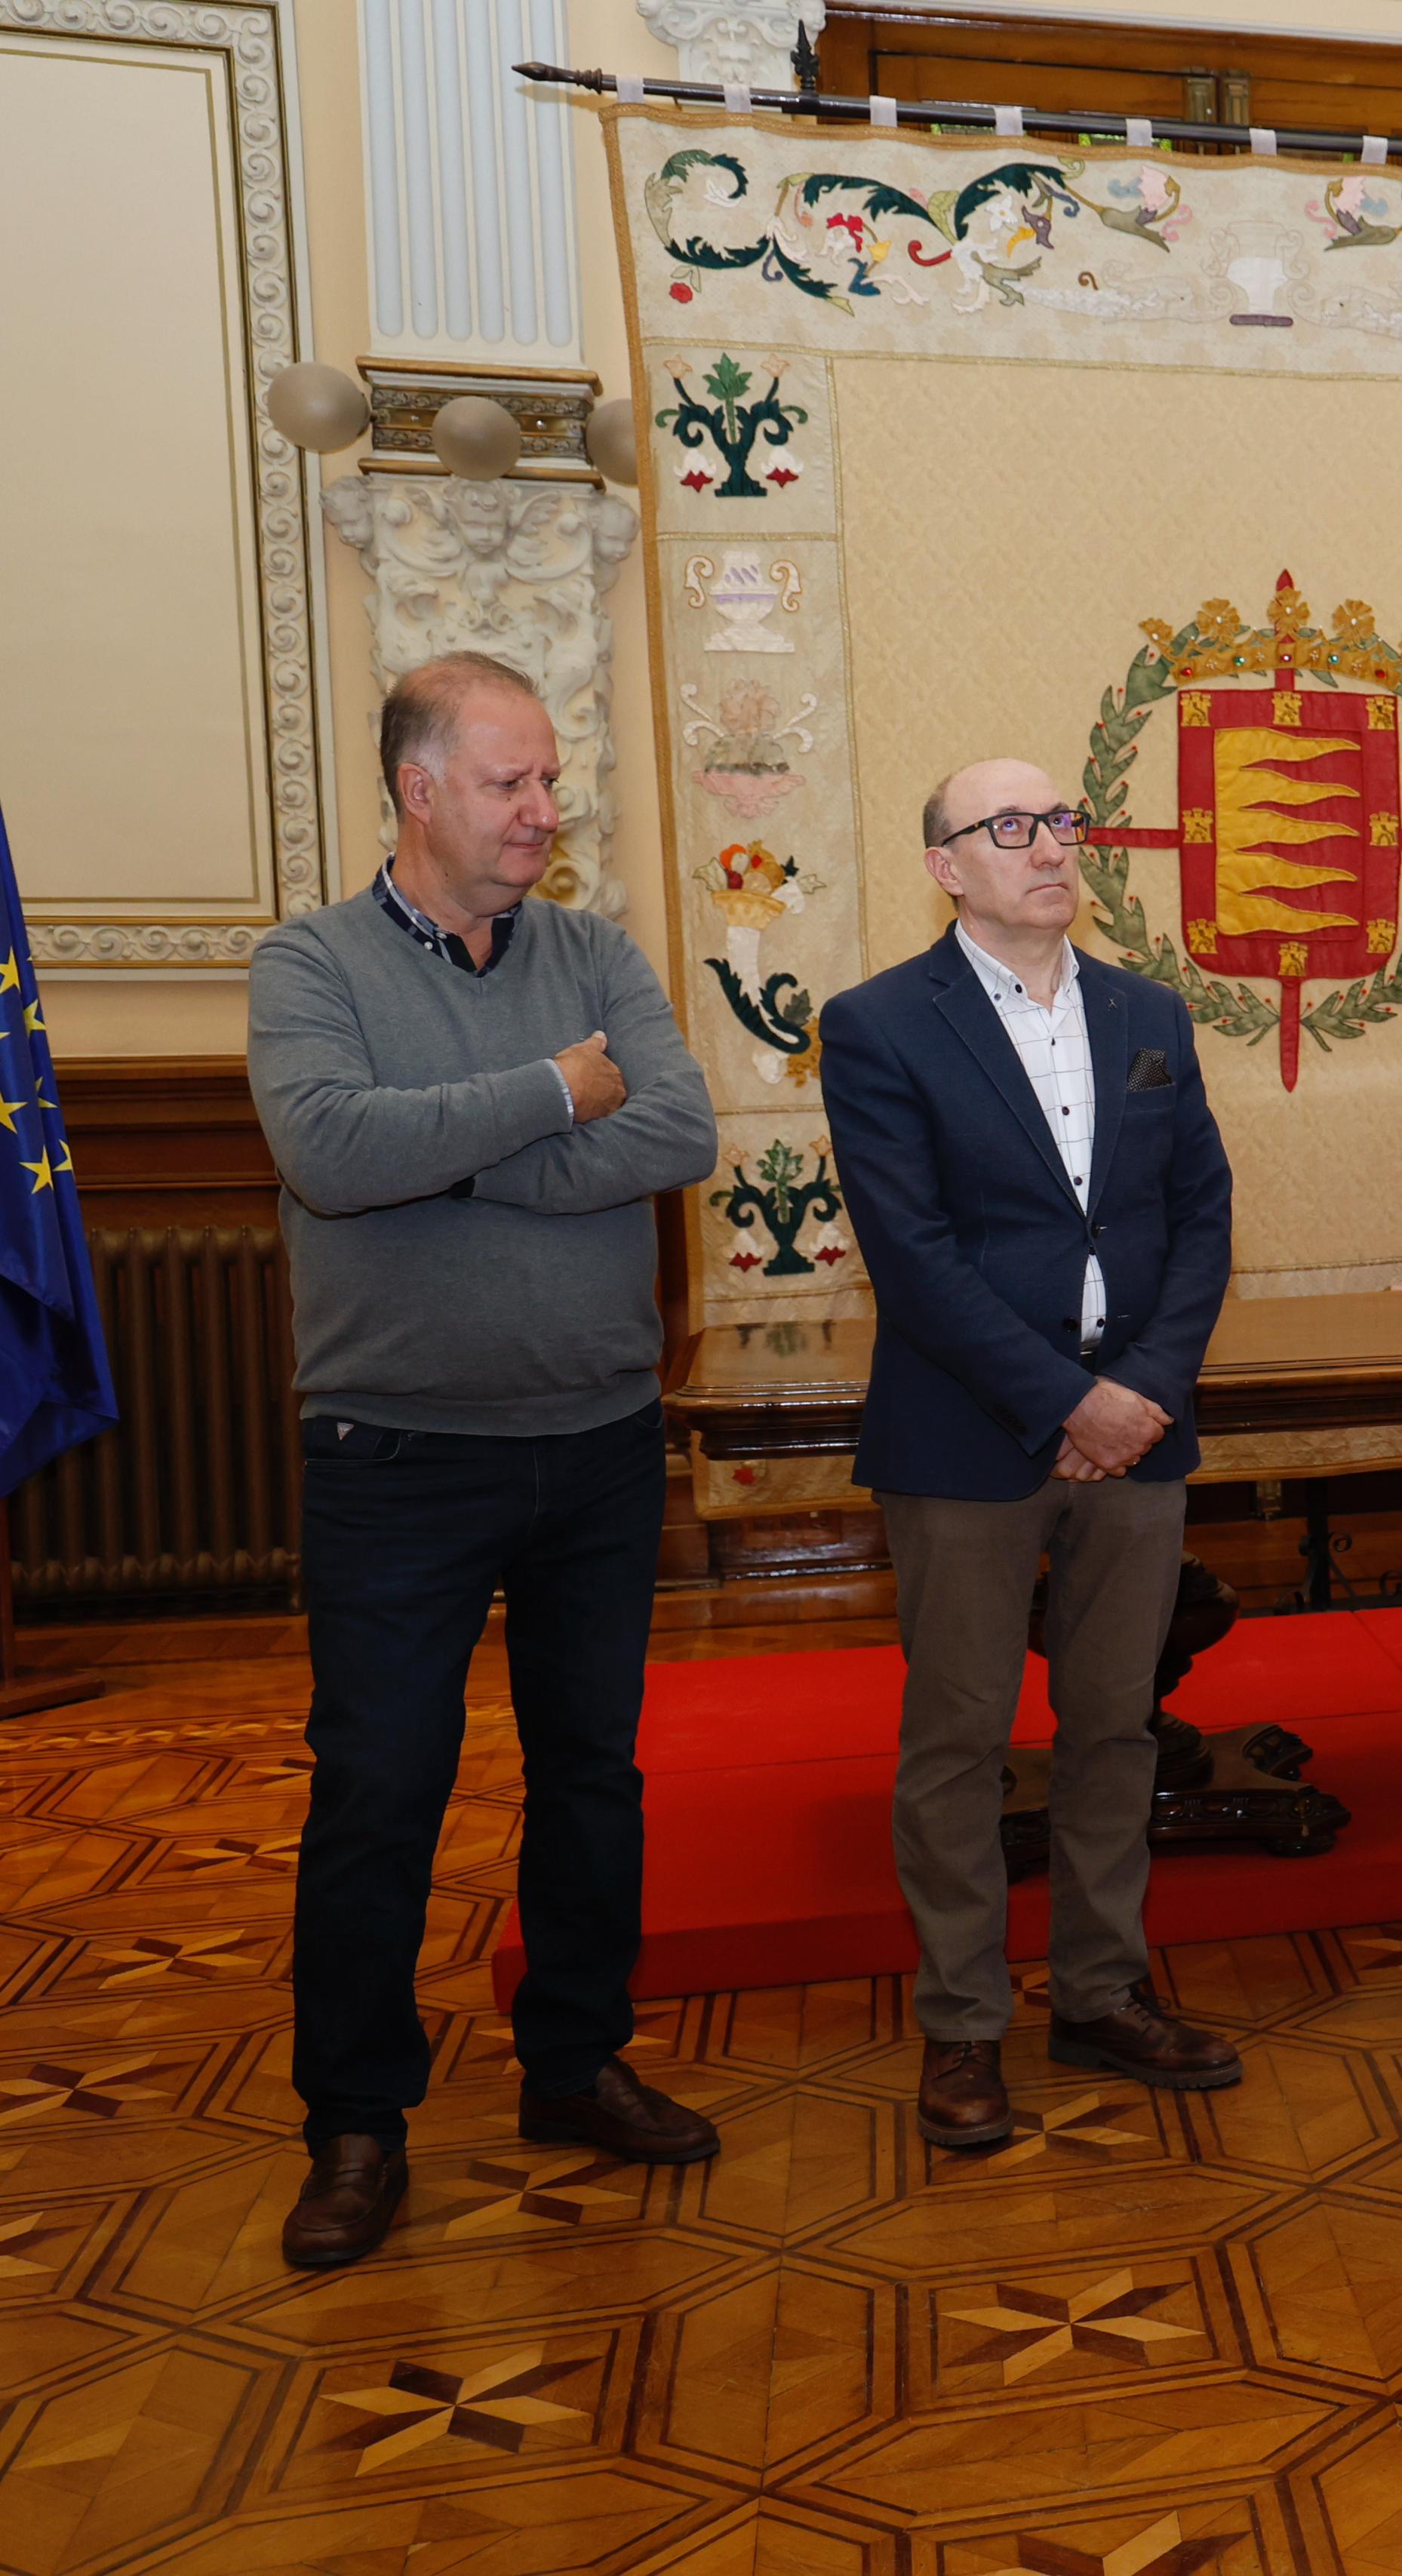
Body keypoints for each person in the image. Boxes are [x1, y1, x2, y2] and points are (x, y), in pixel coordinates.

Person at [247, 652, 723, 2269]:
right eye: (511, 782)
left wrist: (451, 1151)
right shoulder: (309, 962)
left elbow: (678, 1132)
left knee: (592, 1775)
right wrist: (552, 1094)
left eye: (549, 782)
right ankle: (356, 2124)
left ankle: (575, 2061)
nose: (543, 809)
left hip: (598, 1442)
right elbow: (332, 1150)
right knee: (382, 1790)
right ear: (420, 788)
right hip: (396, 1454)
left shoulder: (596, 950)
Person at [821, 758, 1240, 2151]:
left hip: (1138, 1434)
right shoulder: (880, 1024)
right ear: (947, 865)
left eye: (1063, 821)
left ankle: (1103, 1991)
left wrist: (1144, 1389)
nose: (1052, 845)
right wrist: (1068, 1400)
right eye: (1012, 827)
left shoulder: (1147, 1011)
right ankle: (962, 2023)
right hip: (968, 1434)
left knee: (1116, 1726)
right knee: (959, 1740)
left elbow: (1202, 1211)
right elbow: (913, 1256)